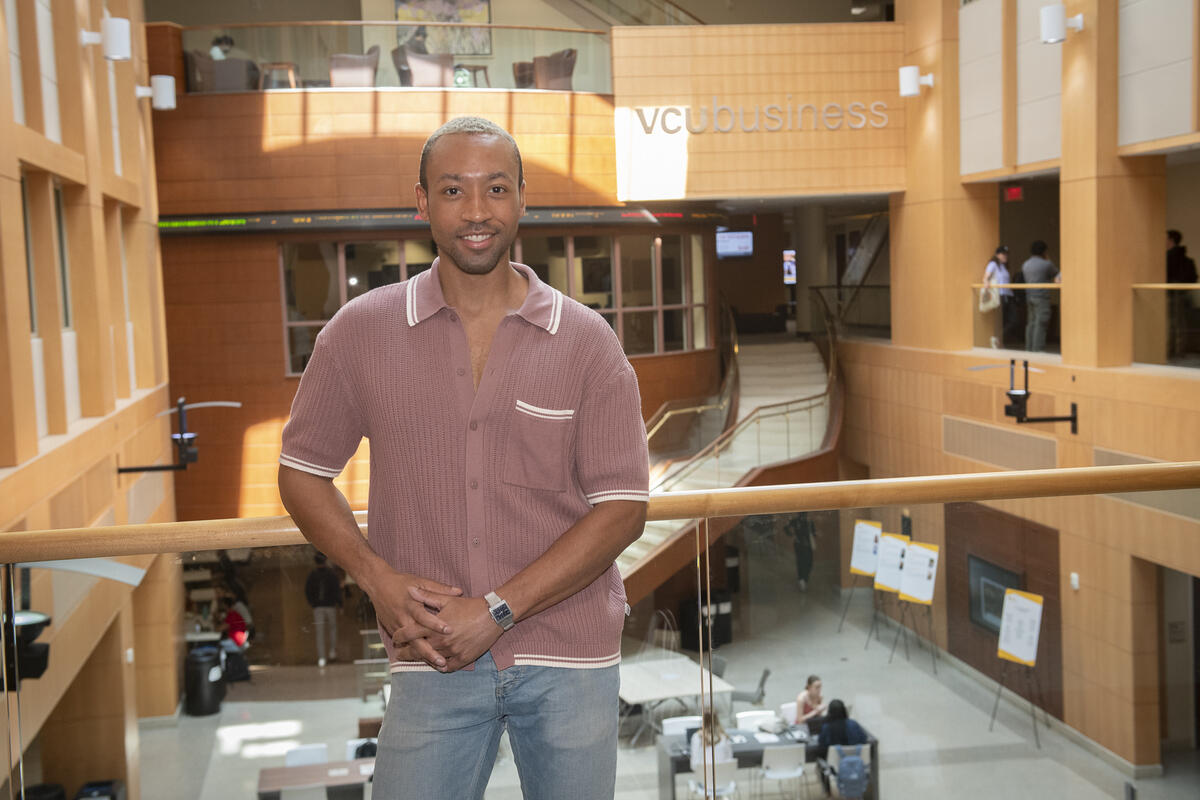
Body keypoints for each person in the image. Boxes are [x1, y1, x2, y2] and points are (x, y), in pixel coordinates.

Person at [277, 116, 649, 799]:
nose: (477, 212)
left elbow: (623, 508)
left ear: (522, 200)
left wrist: (499, 610)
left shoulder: (587, 342)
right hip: (432, 659)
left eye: (496, 189)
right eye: (453, 190)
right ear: (421, 201)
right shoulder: (359, 333)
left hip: (569, 656)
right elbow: (302, 471)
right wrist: (376, 577)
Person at [817, 699, 869, 793]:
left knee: (819, 762)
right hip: (857, 764)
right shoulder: (853, 724)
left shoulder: (826, 728)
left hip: (834, 766)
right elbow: (864, 740)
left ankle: (828, 793)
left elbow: (821, 744)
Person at [1020, 240, 1060, 352]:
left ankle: (1029, 348)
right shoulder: (1046, 264)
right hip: (1042, 297)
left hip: (1029, 296)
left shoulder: (1025, 264)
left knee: (1031, 323)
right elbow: (1057, 274)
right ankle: (1037, 349)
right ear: (1044, 251)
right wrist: (1048, 259)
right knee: (1041, 323)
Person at [305, 553, 341, 667]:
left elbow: (307, 591)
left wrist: (313, 603)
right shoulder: (331, 574)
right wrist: (340, 604)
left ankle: (322, 657)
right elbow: (337, 590)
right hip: (329, 606)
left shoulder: (312, 575)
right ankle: (332, 653)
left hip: (318, 607)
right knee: (332, 630)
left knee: (320, 632)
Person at [1166, 230, 1197, 357]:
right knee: (1179, 323)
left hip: (1174, 296)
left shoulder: (1169, 258)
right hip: (1180, 295)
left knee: (1174, 323)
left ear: (1171, 240)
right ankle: (1177, 351)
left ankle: (1173, 351)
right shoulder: (1186, 259)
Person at [982, 245, 1019, 347]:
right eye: (1003, 254)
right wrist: (986, 282)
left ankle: (997, 338)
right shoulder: (993, 264)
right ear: (997, 255)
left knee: (1014, 320)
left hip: (1008, 296)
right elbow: (986, 276)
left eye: (1006, 254)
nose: (1005, 256)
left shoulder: (1004, 267)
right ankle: (998, 340)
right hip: (1000, 296)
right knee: (1002, 320)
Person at [784, 511, 816, 591]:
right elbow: (785, 528)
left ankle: (804, 579)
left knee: (809, 562)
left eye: (805, 514)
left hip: (808, 545)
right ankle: (801, 580)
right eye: (802, 514)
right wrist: (792, 535)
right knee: (801, 562)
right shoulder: (795, 521)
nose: (804, 515)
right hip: (799, 545)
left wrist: (816, 534)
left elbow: (813, 532)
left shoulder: (809, 522)